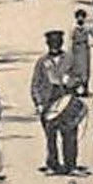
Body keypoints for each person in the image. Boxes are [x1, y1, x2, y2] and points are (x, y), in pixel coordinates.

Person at [31, 29, 85, 175]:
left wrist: (72, 81)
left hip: (67, 101)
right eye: (51, 43)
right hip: (48, 103)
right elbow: (35, 84)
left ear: (61, 43)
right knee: (50, 136)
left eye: (57, 43)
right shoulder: (42, 62)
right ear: (47, 44)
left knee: (70, 135)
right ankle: (52, 165)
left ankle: (71, 165)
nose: (54, 46)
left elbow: (80, 77)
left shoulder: (70, 59)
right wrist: (39, 103)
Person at [69, 7, 93, 96]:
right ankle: (76, 89)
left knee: (85, 69)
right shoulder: (73, 27)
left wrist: (92, 43)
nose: (80, 19)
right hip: (76, 48)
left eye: (82, 17)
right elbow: (70, 38)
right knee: (76, 69)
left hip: (84, 48)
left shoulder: (87, 27)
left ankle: (85, 89)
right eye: (78, 17)